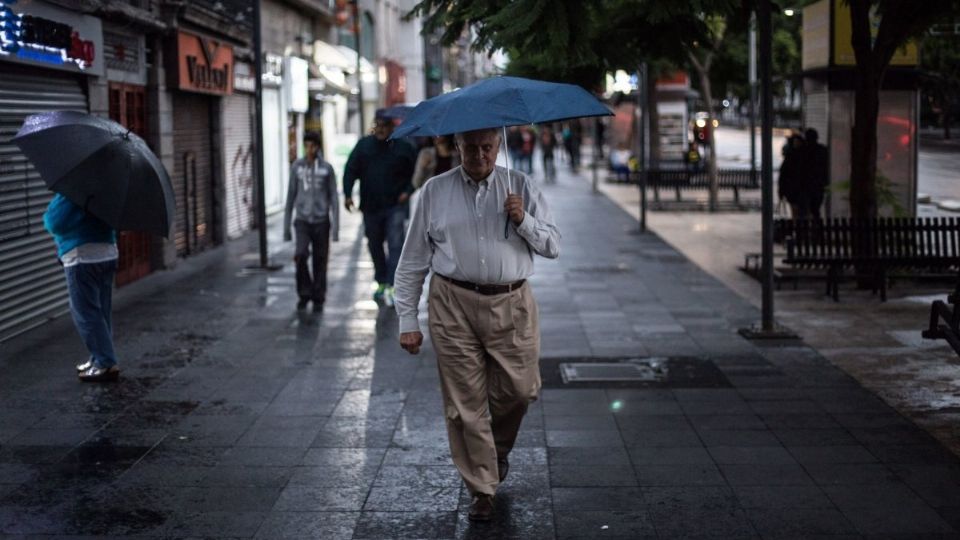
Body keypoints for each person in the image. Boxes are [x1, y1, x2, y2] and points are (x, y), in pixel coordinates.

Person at [393, 127, 560, 522]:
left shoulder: (520, 184)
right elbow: (413, 259)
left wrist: (523, 220)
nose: (480, 155)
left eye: (487, 147)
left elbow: (553, 245)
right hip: (452, 303)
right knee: (463, 404)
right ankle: (482, 487)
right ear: (457, 147)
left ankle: (494, 452)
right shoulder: (435, 191)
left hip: (512, 302)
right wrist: (407, 319)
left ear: (498, 146)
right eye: (471, 148)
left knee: (520, 391)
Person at [343, 109, 417, 306]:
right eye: (378, 125)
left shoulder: (403, 147)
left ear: (392, 127)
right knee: (374, 244)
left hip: (395, 205)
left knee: (395, 245)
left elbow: (416, 172)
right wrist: (348, 194)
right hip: (371, 206)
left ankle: (393, 284)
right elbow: (351, 169)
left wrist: (408, 191)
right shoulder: (364, 146)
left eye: (385, 126)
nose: (381, 130)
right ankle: (382, 280)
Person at [43, 193, 120, 382]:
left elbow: (54, 223)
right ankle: (98, 358)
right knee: (101, 311)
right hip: (107, 253)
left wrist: (51, 210)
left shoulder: (73, 190)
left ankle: (105, 363)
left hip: (82, 257)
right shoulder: (108, 188)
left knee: (85, 313)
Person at [284, 130, 339, 313]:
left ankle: (318, 295)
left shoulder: (326, 168)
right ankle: (304, 291)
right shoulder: (297, 167)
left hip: (322, 221)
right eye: (306, 145)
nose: (309, 149)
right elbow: (290, 196)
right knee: (300, 254)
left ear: (318, 147)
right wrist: (286, 227)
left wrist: (336, 227)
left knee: (320, 260)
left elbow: (334, 197)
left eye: (313, 146)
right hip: (302, 221)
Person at [778, 133, 807, 218]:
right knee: (799, 211)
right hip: (796, 189)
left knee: (796, 211)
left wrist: (781, 191)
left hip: (794, 189)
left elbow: (783, 175)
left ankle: (797, 227)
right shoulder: (804, 155)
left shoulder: (790, 156)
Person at [803, 128, 829, 219]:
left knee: (807, 210)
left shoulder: (803, 151)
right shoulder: (823, 151)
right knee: (815, 209)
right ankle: (817, 230)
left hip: (806, 186)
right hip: (818, 185)